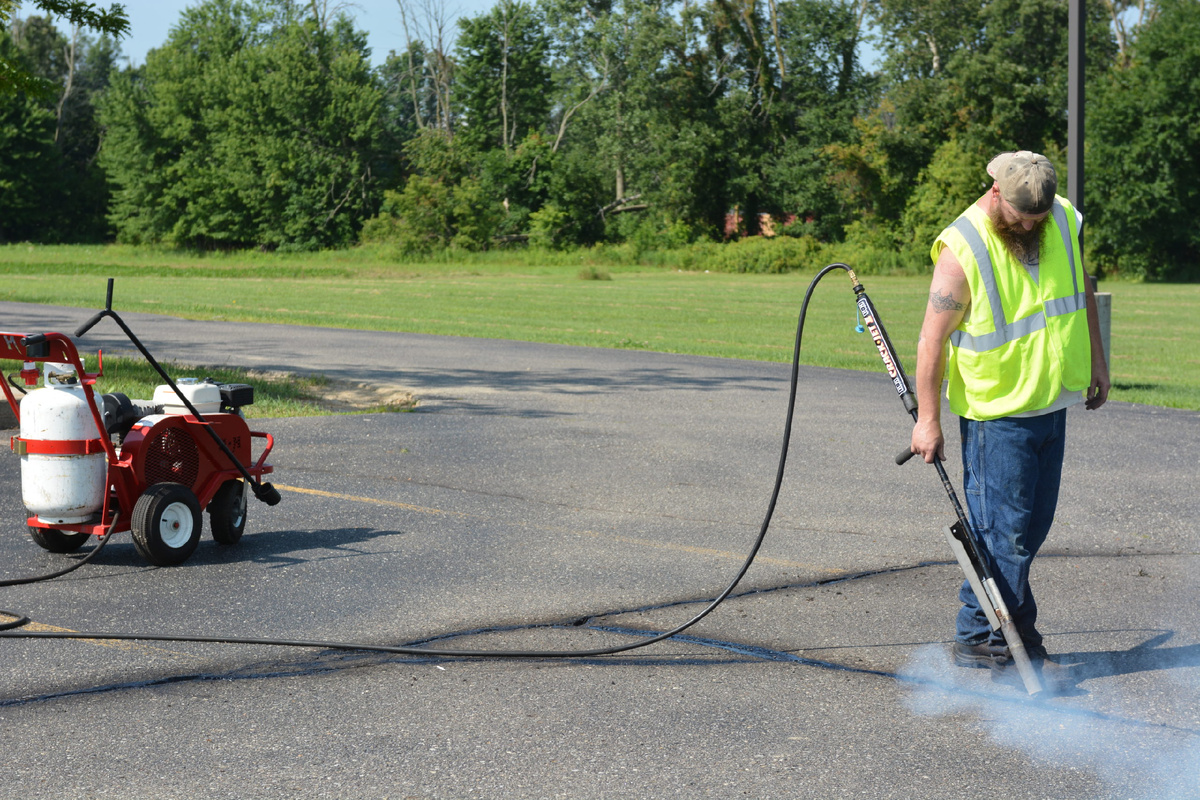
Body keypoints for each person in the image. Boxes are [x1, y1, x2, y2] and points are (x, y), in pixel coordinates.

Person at [909, 151, 1110, 671]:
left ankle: (976, 632)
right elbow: (932, 341)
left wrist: (1099, 361)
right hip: (997, 414)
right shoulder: (962, 247)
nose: (1031, 224)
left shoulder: (1061, 218)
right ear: (996, 192)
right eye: (1022, 216)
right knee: (1006, 535)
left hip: (1052, 398)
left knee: (1029, 528)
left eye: (1038, 217)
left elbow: (1080, 287)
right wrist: (927, 420)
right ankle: (1011, 646)